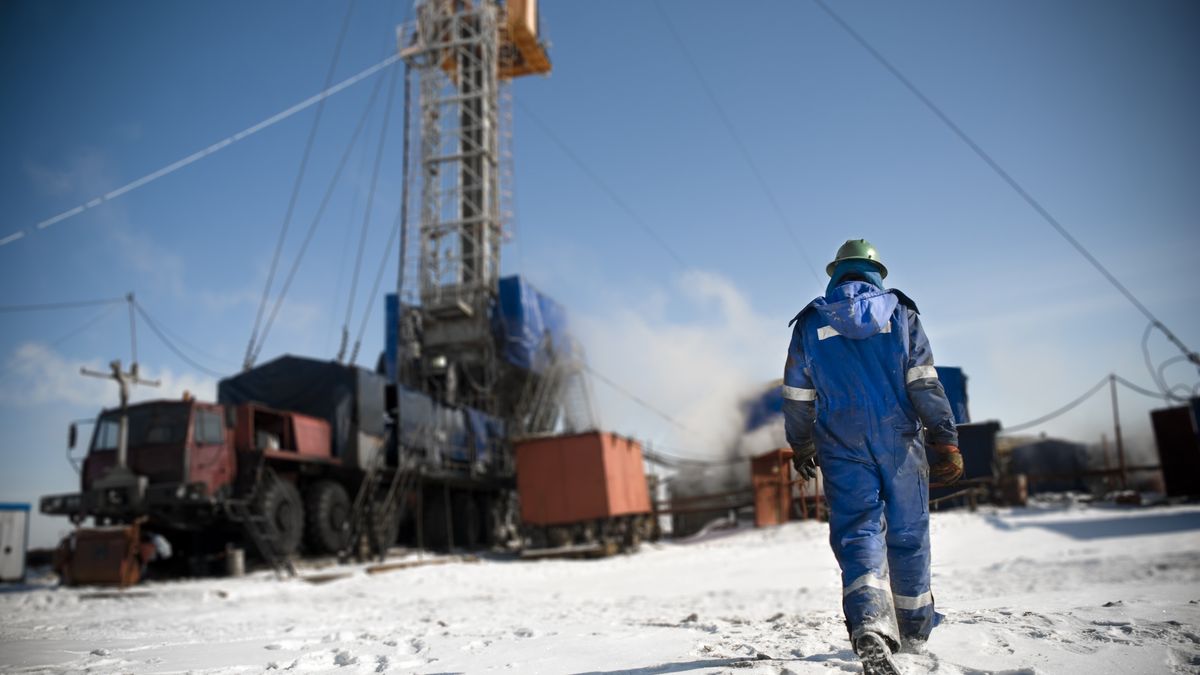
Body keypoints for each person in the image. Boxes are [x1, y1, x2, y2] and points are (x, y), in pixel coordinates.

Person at [782, 239, 962, 675]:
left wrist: (802, 443)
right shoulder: (901, 315)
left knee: (859, 531)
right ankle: (915, 629)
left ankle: (869, 623)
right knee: (907, 533)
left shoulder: (810, 322)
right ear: (876, 272)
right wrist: (945, 439)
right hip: (899, 439)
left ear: (837, 273)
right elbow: (923, 383)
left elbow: (797, 395)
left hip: (840, 442)